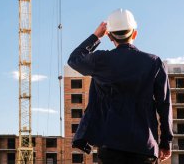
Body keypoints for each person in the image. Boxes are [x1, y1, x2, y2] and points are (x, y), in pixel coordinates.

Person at [68, 9, 173, 164]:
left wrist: (96, 36)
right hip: (144, 146)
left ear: (109, 36)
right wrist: (166, 143)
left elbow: (75, 59)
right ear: (134, 34)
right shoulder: (153, 62)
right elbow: (164, 105)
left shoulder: (101, 60)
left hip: (111, 146)